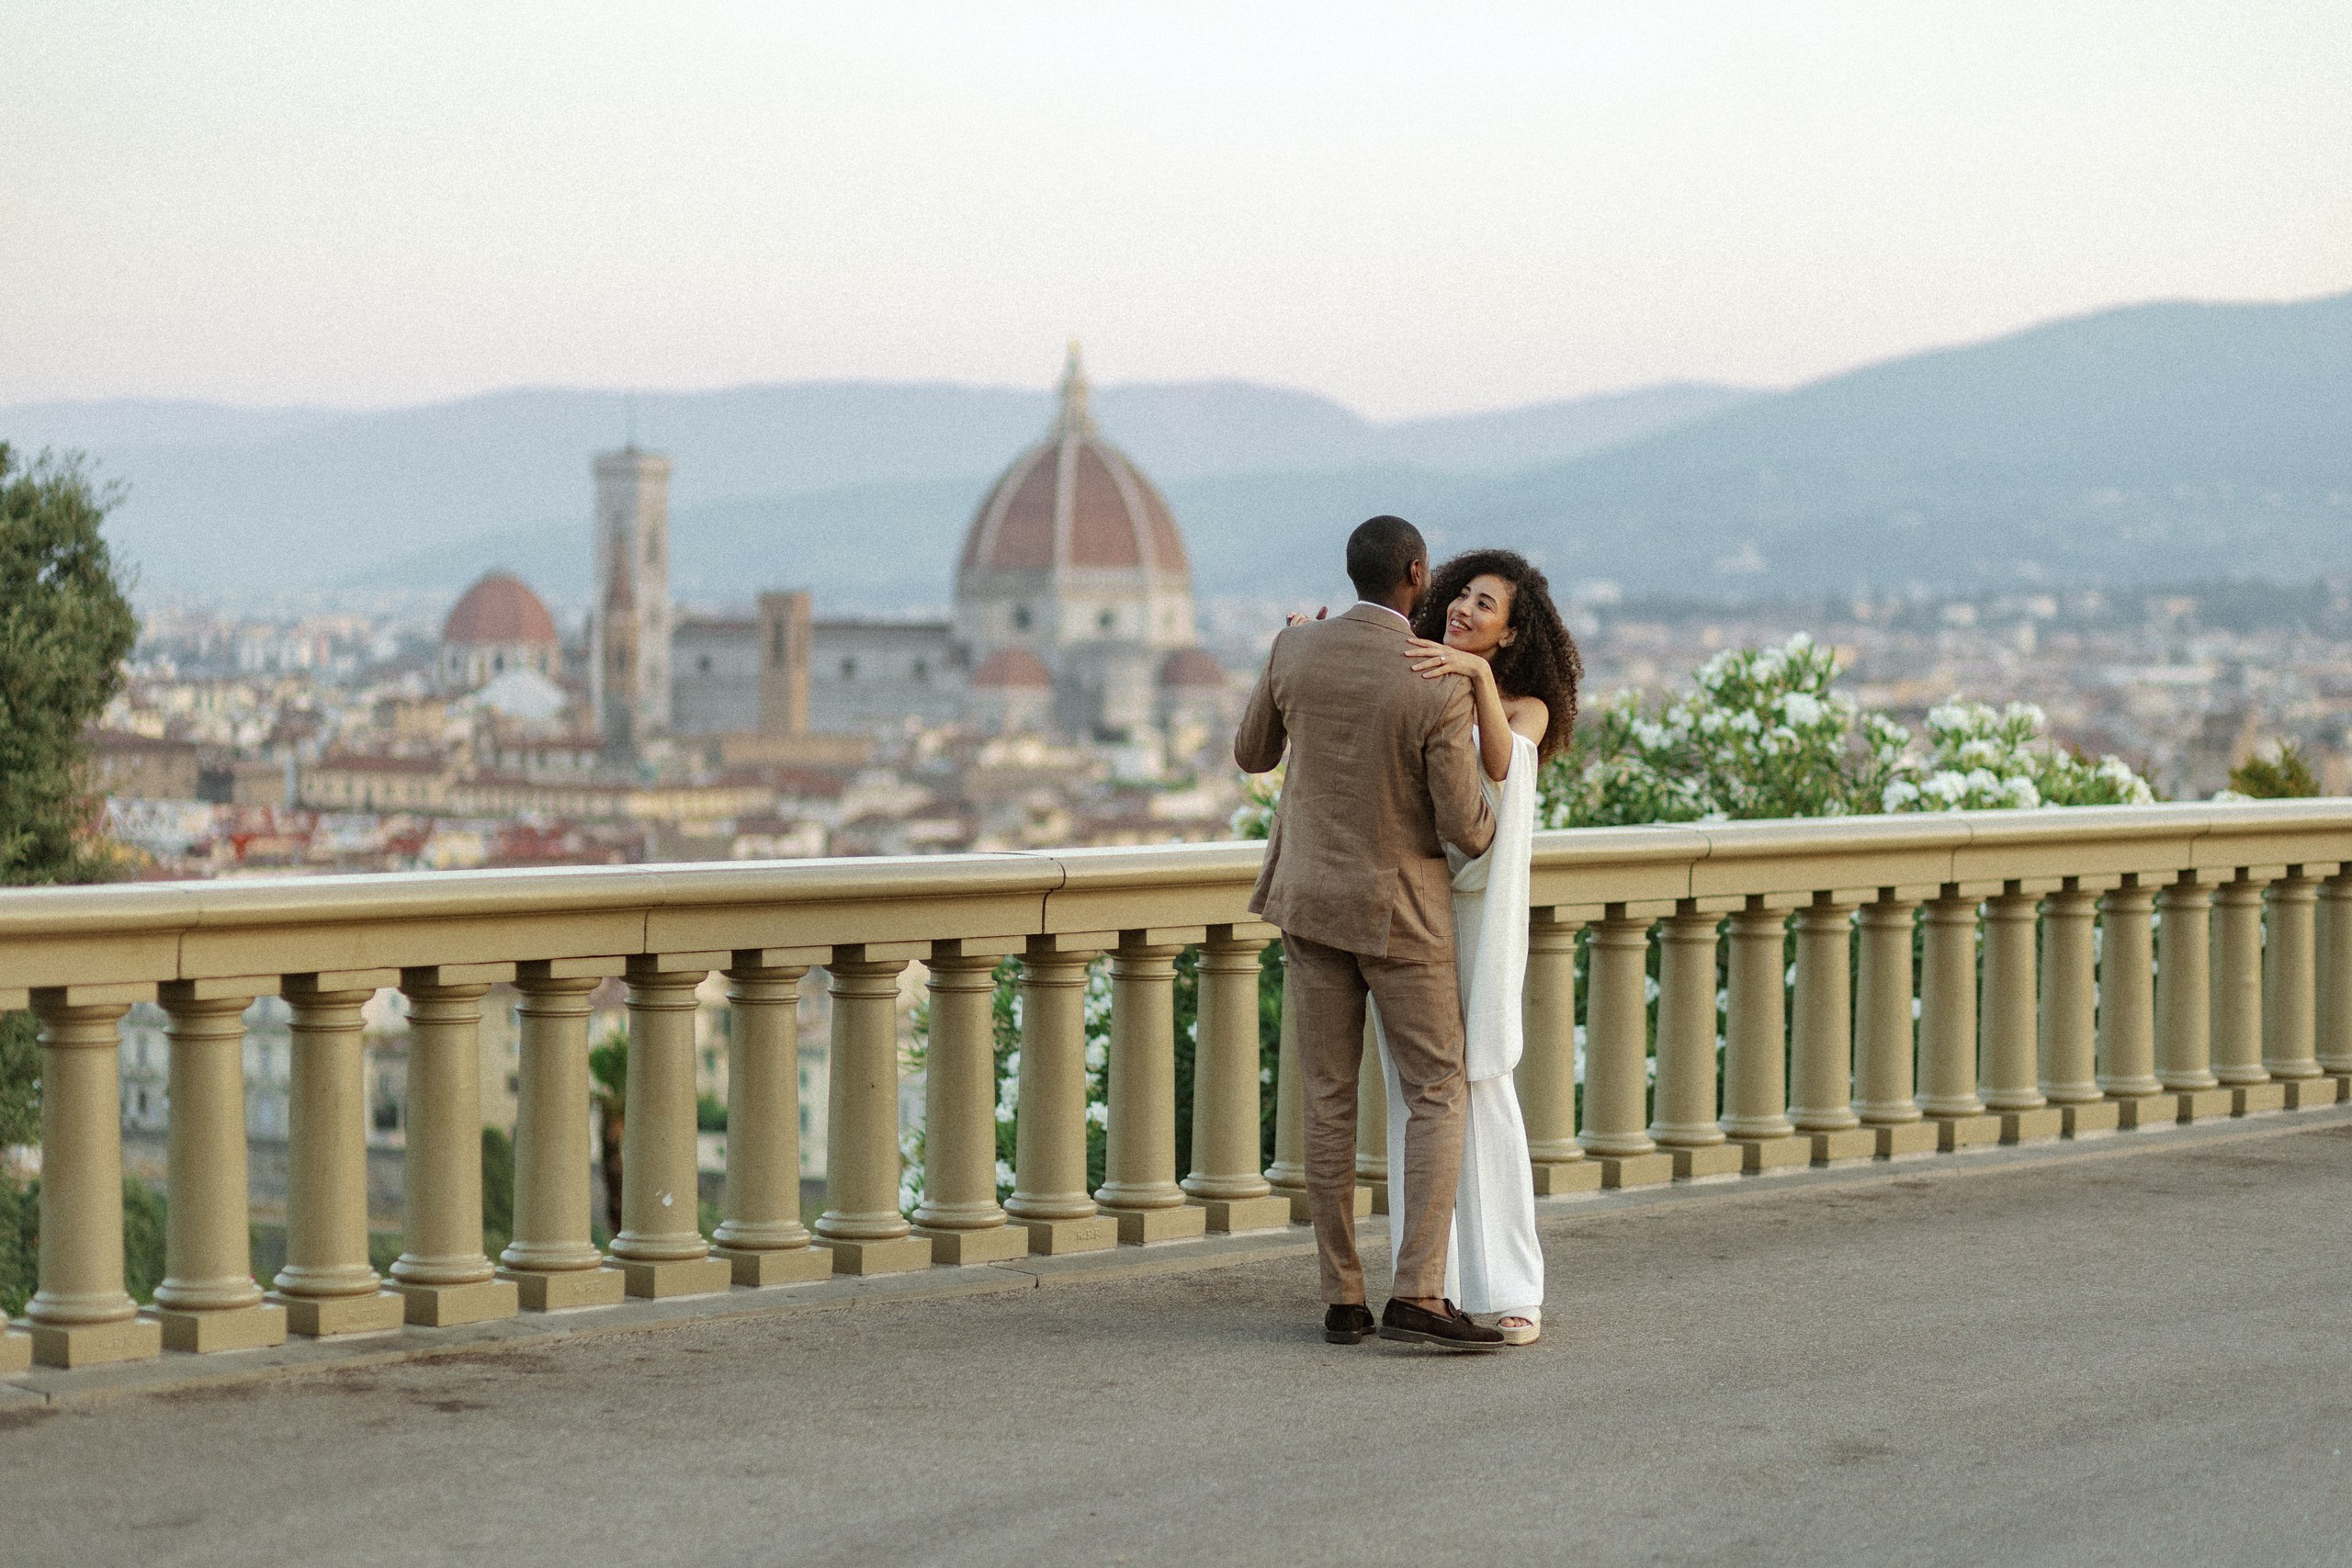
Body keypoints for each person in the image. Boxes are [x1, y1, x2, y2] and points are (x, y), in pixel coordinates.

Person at [1233, 515, 1504, 1353]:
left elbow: (1252, 754)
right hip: (1400, 914)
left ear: (1351, 572)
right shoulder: (1434, 677)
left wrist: (1289, 649)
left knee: (1327, 1096)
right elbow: (1466, 828)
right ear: (1417, 574)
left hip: (1308, 902)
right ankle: (1417, 1289)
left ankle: (1342, 1297)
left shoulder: (1294, 649)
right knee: (1436, 1090)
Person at [1375, 550, 1582, 1347]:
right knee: (1416, 1093)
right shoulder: (1423, 681)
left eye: (1484, 603)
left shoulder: (1525, 706)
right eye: (1460, 593)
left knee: (1483, 1084)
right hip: (1416, 902)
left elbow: (1504, 764)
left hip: (1478, 914)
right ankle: (1431, 1282)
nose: (1462, 607)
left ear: (1512, 633)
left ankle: (1512, 1285)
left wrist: (1475, 678)